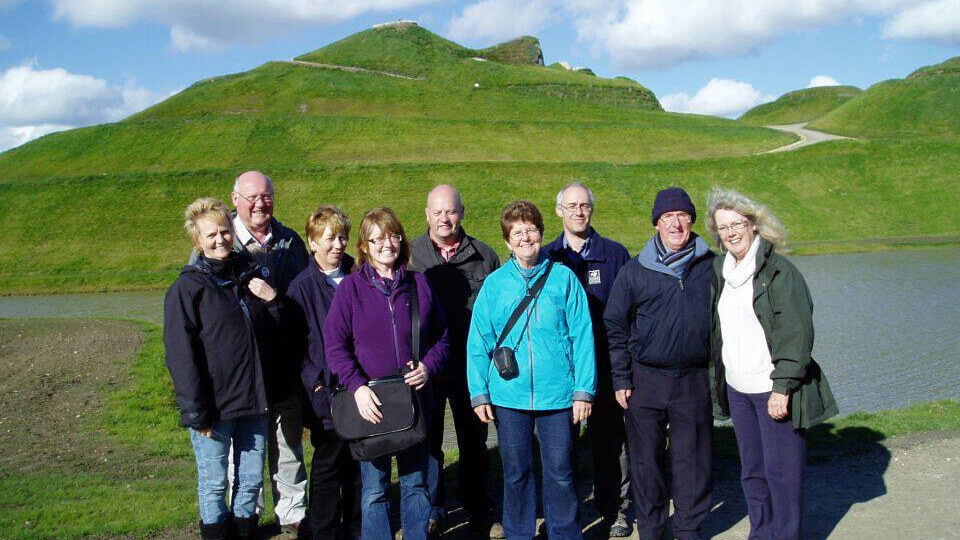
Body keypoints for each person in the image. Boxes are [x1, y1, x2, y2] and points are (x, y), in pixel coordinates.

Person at [706, 187, 838, 540]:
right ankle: (762, 532)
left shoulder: (779, 271)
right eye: (723, 227)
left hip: (772, 389)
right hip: (738, 388)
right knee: (752, 470)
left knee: (783, 472)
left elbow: (797, 334)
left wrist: (783, 388)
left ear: (753, 225)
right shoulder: (722, 270)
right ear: (716, 233)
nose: (731, 232)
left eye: (737, 224)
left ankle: (786, 534)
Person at [188, 170, 310, 532]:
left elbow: (303, 297)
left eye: (267, 196)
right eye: (252, 197)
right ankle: (247, 516)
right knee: (241, 451)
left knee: (288, 446)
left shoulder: (289, 241)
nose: (260, 204)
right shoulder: (217, 247)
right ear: (235, 199)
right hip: (237, 373)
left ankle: (293, 512)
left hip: (282, 364)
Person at [467, 200, 596, 540]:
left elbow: (582, 335)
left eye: (531, 230)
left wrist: (584, 390)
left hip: (558, 397)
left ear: (541, 233)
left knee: (561, 473)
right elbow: (479, 341)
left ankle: (565, 534)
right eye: (517, 232)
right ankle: (519, 533)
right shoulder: (495, 285)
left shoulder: (564, 279)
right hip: (510, 397)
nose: (526, 238)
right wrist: (479, 392)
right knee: (515, 474)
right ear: (507, 241)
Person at [323, 207, 449, 540]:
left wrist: (428, 367)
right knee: (375, 490)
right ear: (364, 246)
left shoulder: (418, 284)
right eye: (376, 239)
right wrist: (357, 387)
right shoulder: (350, 289)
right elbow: (335, 346)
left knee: (415, 484)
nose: (386, 244)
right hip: (372, 403)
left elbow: (441, 337)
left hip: (413, 400)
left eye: (392, 236)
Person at [164, 197, 281, 540]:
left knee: (251, 481)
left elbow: (273, 331)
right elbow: (181, 356)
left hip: (253, 400)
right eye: (211, 235)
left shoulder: (249, 277)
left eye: (225, 232)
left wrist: (273, 300)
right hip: (214, 408)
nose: (220, 240)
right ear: (197, 241)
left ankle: (245, 533)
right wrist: (195, 411)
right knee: (215, 482)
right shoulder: (187, 289)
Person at [603, 187, 715, 540]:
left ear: (692, 220)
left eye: (682, 216)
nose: (675, 224)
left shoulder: (713, 266)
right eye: (668, 217)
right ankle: (651, 527)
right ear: (656, 224)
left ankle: (687, 527)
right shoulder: (635, 270)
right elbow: (615, 325)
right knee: (646, 461)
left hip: (693, 378)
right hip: (645, 378)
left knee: (691, 459)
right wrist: (621, 377)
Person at [408, 184, 502, 537]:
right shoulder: (412, 253)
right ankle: (434, 508)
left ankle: (479, 508)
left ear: (462, 212)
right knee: (428, 443)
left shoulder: (484, 254)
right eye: (437, 212)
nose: (444, 218)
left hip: (471, 367)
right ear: (426, 215)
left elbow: (497, 312)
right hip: (426, 368)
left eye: (451, 211)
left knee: (474, 442)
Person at [543, 182, 633, 537]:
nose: (579, 211)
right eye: (571, 205)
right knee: (561, 449)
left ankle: (616, 511)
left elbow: (629, 315)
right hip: (562, 373)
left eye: (584, 205)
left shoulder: (615, 255)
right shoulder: (547, 256)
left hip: (607, 368)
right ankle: (565, 516)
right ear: (559, 211)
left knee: (611, 444)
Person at [286, 206, 361, 539]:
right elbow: (297, 347)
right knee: (329, 460)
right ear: (312, 241)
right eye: (329, 238)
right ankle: (324, 529)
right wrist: (315, 385)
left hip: (360, 383)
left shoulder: (358, 274)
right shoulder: (301, 287)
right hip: (325, 388)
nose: (338, 244)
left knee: (359, 459)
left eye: (342, 236)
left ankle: (357, 526)